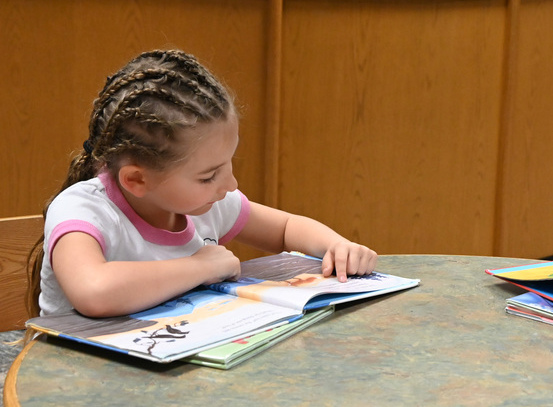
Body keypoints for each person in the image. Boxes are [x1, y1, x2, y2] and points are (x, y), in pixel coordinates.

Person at [37, 49, 378, 319]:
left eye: (229, 164)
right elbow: (94, 291)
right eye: (208, 176)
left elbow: (287, 228)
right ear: (137, 180)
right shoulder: (81, 209)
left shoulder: (205, 204)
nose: (230, 184)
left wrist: (337, 246)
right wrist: (199, 266)